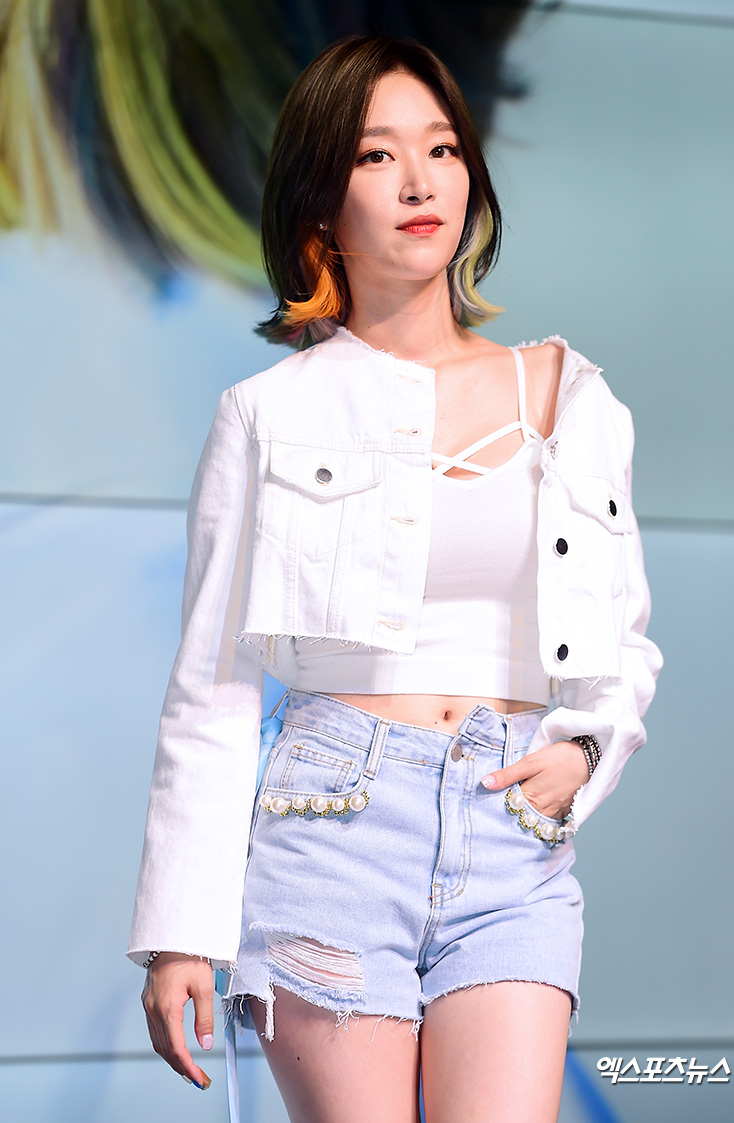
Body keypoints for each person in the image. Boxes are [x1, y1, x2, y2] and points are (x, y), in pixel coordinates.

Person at [128, 35, 663, 1123]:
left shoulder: (572, 397)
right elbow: (213, 686)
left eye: (442, 149)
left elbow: (624, 640)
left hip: (508, 832)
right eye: (377, 156)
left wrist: (585, 751)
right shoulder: (266, 413)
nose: (421, 182)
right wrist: (180, 930)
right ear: (321, 202)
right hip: (332, 824)